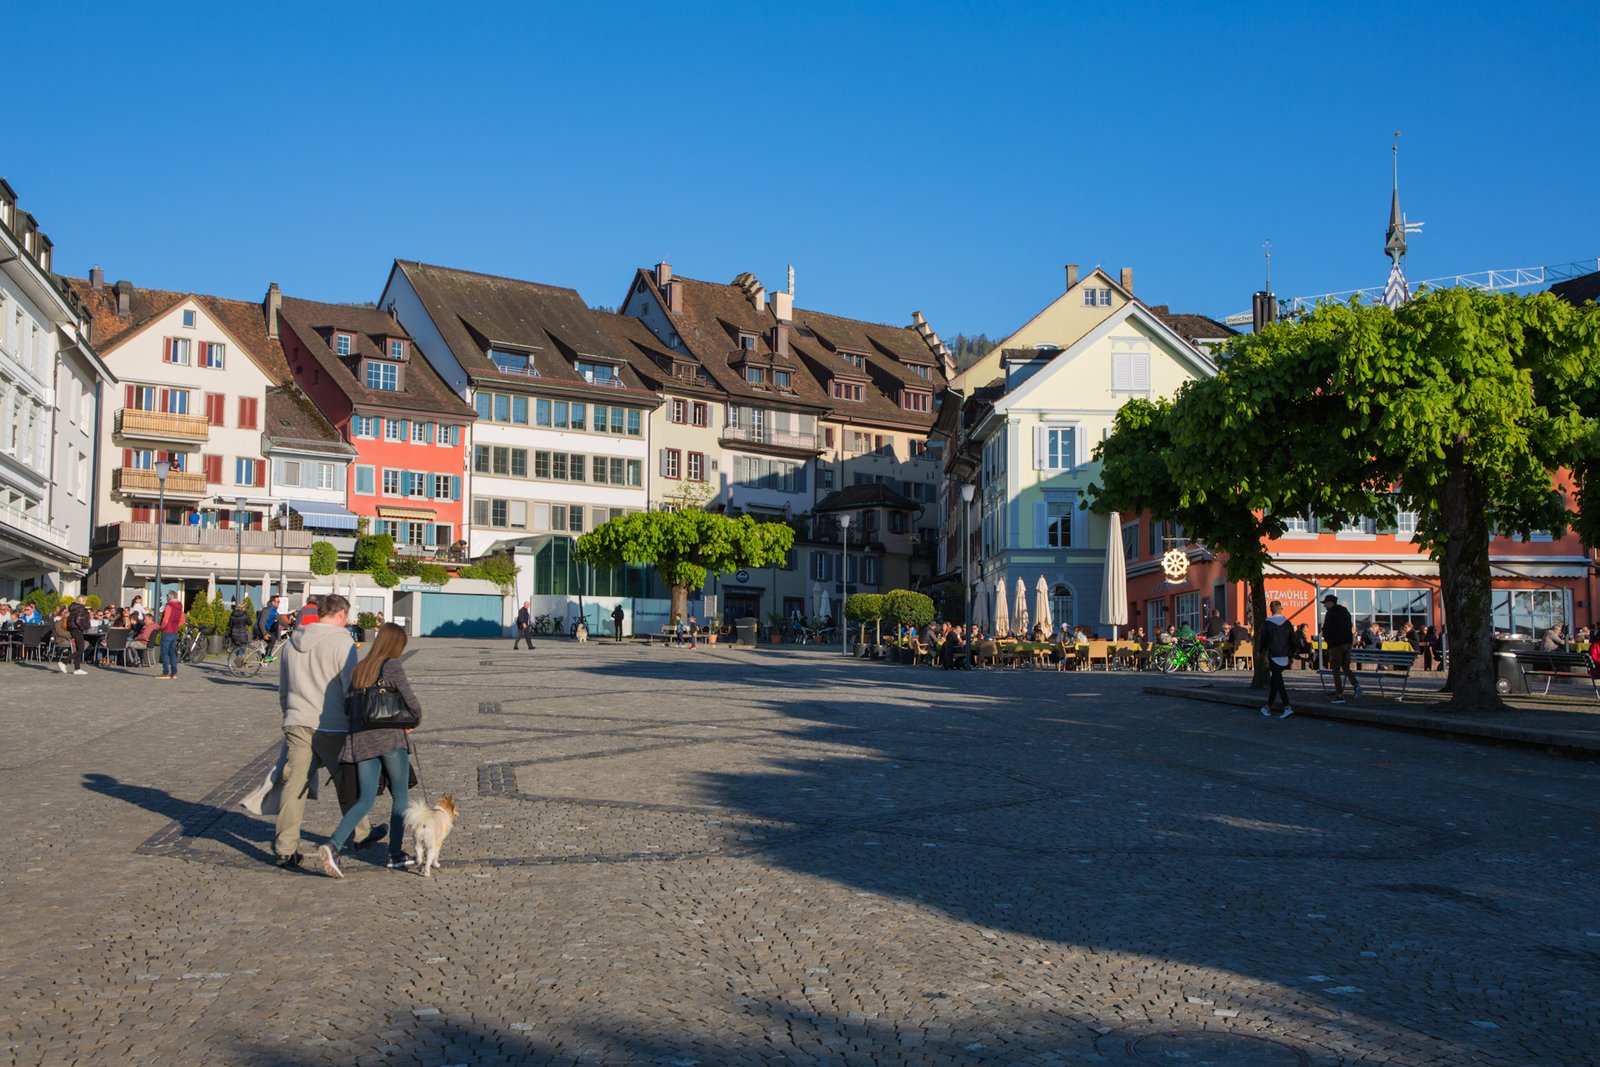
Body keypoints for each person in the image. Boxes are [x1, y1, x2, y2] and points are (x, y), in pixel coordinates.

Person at [273, 593, 378, 869]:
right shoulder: (342, 642)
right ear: (341, 614)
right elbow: (349, 687)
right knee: (346, 779)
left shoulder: (291, 643)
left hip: (297, 720)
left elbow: (283, 688)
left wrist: (290, 711)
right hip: (332, 723)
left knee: (294, 784)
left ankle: (285, 847)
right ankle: (361, 833)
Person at [318, 622, 420, 877]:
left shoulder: (360, 669)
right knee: (400, 797)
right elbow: (413, 705)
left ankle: (334, 845)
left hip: (362, 742)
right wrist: (411, 722)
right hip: (389, 740)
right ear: (396, 645)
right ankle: (395, 854)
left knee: (365, 799)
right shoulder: (392, 666)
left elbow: (347, 709)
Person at [1321, 594, 1361, 702]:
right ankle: (1356, 685)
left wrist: (1328, 640)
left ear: (1330, 602)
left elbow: (1327, 629)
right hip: (1347, 643)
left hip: (1335, 645)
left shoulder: (1330, 613)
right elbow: (1349, 627)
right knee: (1346, 667)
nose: (1324, 605)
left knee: (1336, 670)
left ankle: (1340, 694)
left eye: (1325, 603)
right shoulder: (1346, 613)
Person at [1259, 600, 1295, 719]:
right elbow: (1292, 640)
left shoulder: (1267, 623)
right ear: (1281, 608)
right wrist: (1292, 655)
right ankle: (1267, 706)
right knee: (1275, 680)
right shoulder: (1287, 623)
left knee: (1278, 682)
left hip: (1273, 654)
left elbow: (1263, 639)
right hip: (1285, 654)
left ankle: (1287, 706)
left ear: (1271, 610)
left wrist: (1261, 651)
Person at [157, 590, 185, 680]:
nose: (167, 598)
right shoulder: (180, 606)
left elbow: (165, 620)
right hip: (174, 631)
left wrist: (161, 628)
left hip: (167, 631)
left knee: (164, 652)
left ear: (170, 597)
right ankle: (174, 673)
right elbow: (182, 620)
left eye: (167, 597)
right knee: (172, 652)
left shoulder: (169, 606)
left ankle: (165, 672)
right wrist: (176, 626)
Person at [61, 595, 91, 676]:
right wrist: (82, 628)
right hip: (77, 629)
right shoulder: (81, 608)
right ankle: (64, 661)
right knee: (81, 649)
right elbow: (78, 620)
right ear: (83, 601)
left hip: (73, 629)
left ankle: (77, 668)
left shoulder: (74, 608)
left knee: (79, 648)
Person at [256, 595, 283, 660]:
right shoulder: (267, 610)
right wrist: (264, 633)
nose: (278, 603)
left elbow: (281, 620)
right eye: (277, 601)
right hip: (258, 629)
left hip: (264, 629)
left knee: (272, 641)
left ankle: (264, 655)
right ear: (273, 602)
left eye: (279, 602)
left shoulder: (274, 611)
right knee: (273, 639)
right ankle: (267, 657)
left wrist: (291, 626)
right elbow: (261, 623)